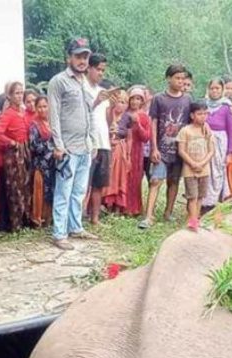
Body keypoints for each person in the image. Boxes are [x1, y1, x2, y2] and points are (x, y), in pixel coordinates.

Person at [46, 36, 96, 249]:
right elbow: (54, 115)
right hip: (67, 148)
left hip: (84, 147)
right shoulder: (58, 81)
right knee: (63, 192)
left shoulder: (85, 81)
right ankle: (59, 233)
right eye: (78, 56)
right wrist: (59, 145)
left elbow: (89, 113)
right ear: (69, 58)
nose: (82, 61)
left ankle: (75, 227)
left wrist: (93, 141)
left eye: (85, 57)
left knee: (79, 191)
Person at [142, 63, 193, 229]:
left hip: (179, 150)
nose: (180, 81)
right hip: (162, 149)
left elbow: (191, 123)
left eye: (183, 78)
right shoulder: (159, 98)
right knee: (156, 180)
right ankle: (148, 216)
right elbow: (153, 123)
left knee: (174, 181)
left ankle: (168, 212)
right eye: (177, 78)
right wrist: (154, 147)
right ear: (168, 78)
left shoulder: (187, 99)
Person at [0, 80, 32, 231]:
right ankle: (15, 222)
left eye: (21, 93)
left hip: (25, 151)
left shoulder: (23, 112)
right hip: (14, 154)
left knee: (26, 185)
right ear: (9, 96)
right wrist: (11, 142)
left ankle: (26, 218)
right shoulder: (8, 114)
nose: (20, 96)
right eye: (16, 93)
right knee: (15, 187)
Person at [108, 86, 151, 217]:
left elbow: (146, 137)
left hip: (136, 151)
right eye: (132, 99)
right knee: (120, 177)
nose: (135, 102)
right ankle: (117, 206)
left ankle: (133, 207)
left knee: (135, 179)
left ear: (142, 101)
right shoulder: (123, 114)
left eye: (138, 99)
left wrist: (138, 123)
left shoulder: (144, 116)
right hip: (121, 148)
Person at [177, 102, 215, 231]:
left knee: (200, 196)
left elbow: (211, 150)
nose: (203, 116)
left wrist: (202, 163)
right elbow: (181, 150)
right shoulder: (185, 131)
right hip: (189, 169)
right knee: (192, 196)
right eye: (199, 114)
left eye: (205, 113)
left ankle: (196, 218)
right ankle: (193, 220)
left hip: (204, 169)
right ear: (192, 115)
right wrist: (193, 163)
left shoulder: (207, 131)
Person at [201, 78, 232, 210]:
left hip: (220, 143)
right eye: (212, 88)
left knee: (217, 172)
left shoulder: (227, 107)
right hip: (203, 141)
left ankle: (214, 202)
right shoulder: (203, 105)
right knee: (204, 170)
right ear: (208, 89)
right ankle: (202, 202)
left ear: (222, 90)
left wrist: (230, 152)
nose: (214, 91)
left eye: (217, 88)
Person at [85, 55, 112, 226]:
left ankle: (95, 218)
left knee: (98, 183)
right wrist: (96, 101)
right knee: (83, 183)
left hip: (103, 142)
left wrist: (112, 107)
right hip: (87, 142)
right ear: (89, 68)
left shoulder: (103, 92)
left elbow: (107, 121)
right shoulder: (81, 88)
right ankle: (76, 219)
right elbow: (81, 113)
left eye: (103, 70)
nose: (101, 73)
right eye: (98, 69)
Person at [29, 95, 57, 226]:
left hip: (55, 163)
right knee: (41, 190)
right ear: (36, 108)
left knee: (53, 188)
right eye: (39, 107)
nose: (42, 110)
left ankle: (51, 217)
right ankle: (39, 219)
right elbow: (34, 145)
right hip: (41, 163)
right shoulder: (34, 125)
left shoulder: (54, 122)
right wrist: (51, 148)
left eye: (45, 106)